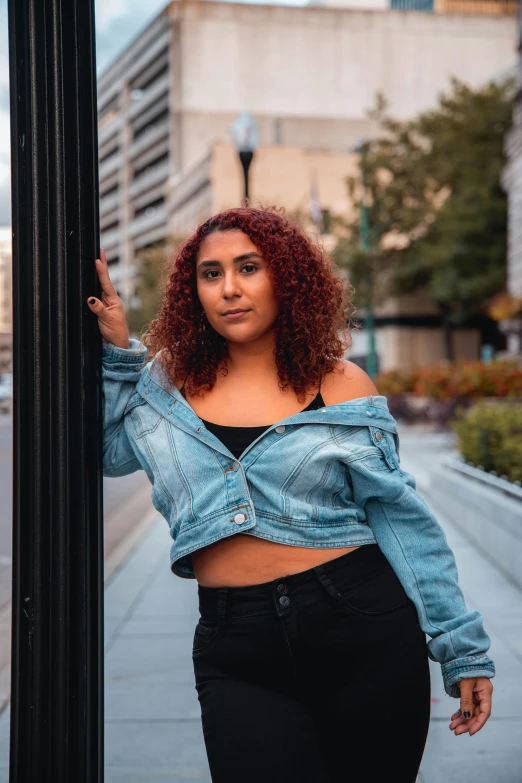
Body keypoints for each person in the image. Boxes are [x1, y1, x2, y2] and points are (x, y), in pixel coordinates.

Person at [89, 206, 495, 783]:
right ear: (193, 291)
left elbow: (402, 521)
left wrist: (460, 646)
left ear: (285, 277)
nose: (229, 288)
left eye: (248, 267)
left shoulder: (341, 384)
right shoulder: (164, 381)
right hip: (236, 647)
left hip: (362, 629)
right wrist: (119, 354)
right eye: (211, 273)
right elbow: (108, 454)